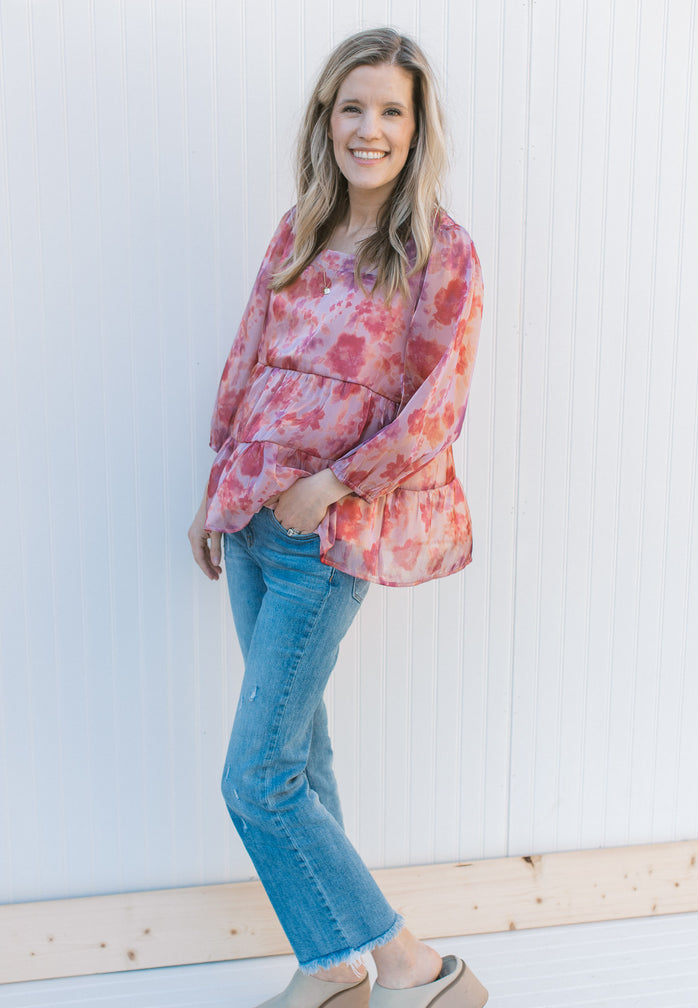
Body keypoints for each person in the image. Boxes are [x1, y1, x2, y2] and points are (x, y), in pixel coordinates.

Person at [188, 27, 487, 1008]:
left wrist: (338, 483)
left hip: (329, 538)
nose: (370, 128)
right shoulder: (299, 231)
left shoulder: (441, 254)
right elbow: (248, 361)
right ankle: (332, 969)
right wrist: (217, 488)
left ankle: (417, 967)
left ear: (415, 127)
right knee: (300, 760)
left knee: (256, 778)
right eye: (351, 106)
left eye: (390, 110)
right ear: (327, 118)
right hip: (250, 528)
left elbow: (434, 409)